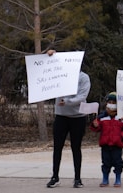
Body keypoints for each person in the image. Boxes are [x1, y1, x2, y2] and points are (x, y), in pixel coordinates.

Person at [45, 49, 91, 189]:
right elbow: (46, 68)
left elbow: (82, 96)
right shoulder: (60, 73)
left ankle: (77, 178)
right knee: (57, 147)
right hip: (61, 116)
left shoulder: (83, 77)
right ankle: (55, 176)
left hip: (77, 117)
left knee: (76, 147)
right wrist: (51, 55)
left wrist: (69, 102)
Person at [89, 92, 123, 188]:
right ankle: (105, 178)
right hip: (105, 144)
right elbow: (96, 128)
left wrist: (121, 138)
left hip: (117, 145)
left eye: (114, 102)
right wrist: (95, 125)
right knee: (105, 162)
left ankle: (118, 178)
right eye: (110, 102)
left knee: (118, 162)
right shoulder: (102, 117)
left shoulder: (122, 118)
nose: (111, 104)